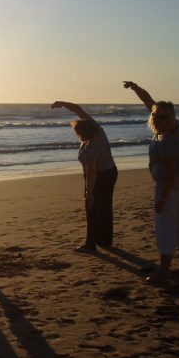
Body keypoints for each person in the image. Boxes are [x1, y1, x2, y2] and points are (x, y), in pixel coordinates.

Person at [123, 81, 179, 284]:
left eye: (163, 117)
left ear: (170, 118)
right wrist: (136, 88)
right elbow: (150, 103)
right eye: (155, 115)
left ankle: (163, 272)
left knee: (165, 227)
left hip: (172, 185)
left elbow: (170, 174)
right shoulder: (171, 126)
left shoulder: (167, 140)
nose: (157, 119)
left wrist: (162, 197)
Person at [51, 101, 118, 251]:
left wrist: (89, 193)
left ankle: (91, 243)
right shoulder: (97, 129)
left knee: (92, 207)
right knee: (105, 207)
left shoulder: (91, 147)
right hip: (110, 171)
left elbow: (91, 172)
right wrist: (62, 103)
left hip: (100, 175)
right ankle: (105, 240)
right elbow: (79, 110)